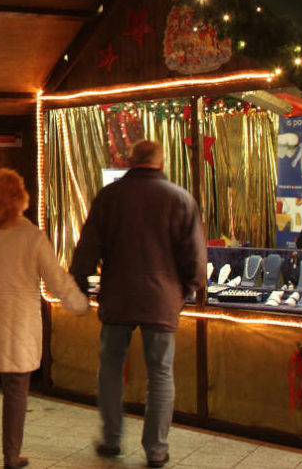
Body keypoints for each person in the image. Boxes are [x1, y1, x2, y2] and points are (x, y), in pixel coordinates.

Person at [70, 140, 207, 469]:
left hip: (118, 295)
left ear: (131, 160)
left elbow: (89, 245)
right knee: (160, 372)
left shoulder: (110, 197)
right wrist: (189, 288)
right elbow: (195, 256)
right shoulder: (180, 198)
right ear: (160, 162)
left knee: (111, 369)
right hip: (162, 300)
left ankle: (112, 439)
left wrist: (79, 278)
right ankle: (156, 450)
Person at [0, 168, 88, 469]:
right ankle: (11, 456)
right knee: (15, 391)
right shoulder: (31, 238)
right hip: (18, 328)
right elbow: (56, 281)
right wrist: (79, 304)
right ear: (19, 199)